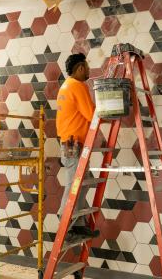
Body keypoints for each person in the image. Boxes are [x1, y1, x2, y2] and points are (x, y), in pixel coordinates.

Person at [56, 53, 99, 239]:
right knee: (74, 184)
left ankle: (77, 223)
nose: (89, 70)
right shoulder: (77, 86)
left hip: (69, 141)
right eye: (87, 67)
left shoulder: (66, 86)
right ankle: (66, 220)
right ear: (80, 68)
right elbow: (92, 114)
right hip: (73, 142)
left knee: (84, 182)